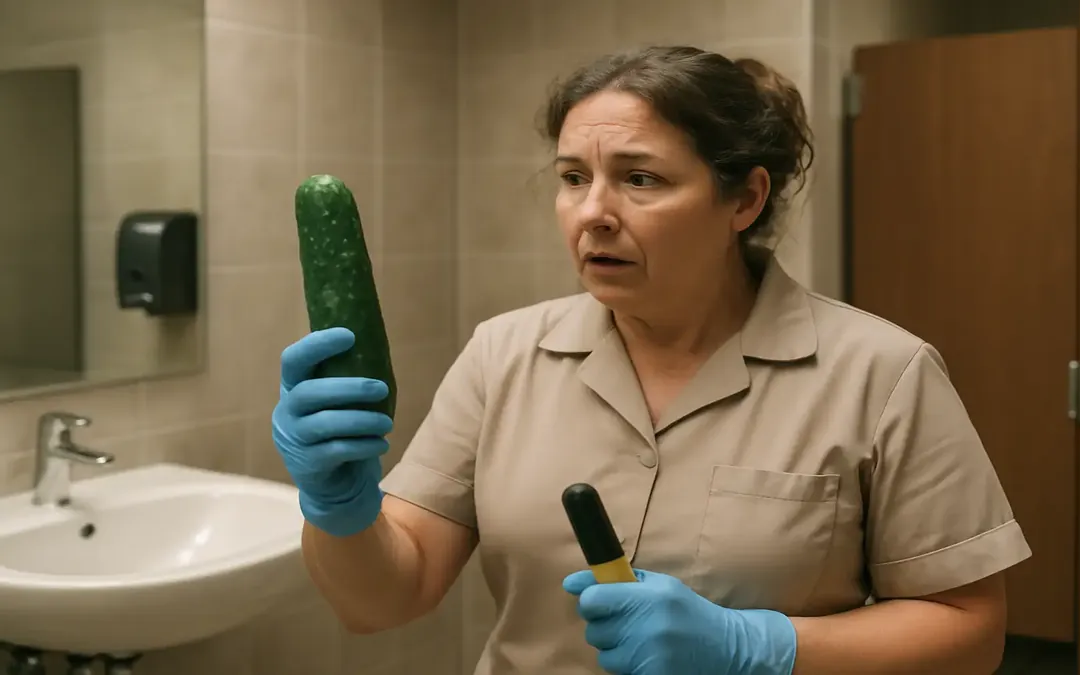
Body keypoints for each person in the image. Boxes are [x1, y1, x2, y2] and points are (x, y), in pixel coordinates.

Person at [271, 45, 1032, 675]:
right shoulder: (502, 355)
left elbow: (968, 631)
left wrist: (760, 647)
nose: (593, 212)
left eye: (641, 178)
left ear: (745, 200)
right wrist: (340, 509)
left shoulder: (882, 372)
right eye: (574, 177)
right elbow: (380, 602)